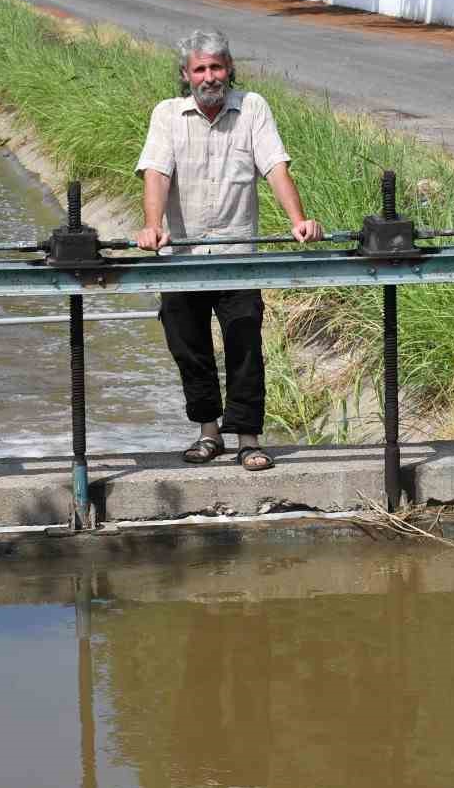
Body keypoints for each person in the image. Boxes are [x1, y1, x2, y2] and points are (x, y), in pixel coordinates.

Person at [135, 30, 323, 472]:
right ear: (186, 75)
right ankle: (208, 433)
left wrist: (299, 219)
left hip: (237, 253)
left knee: (244, 345)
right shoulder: (167, 115)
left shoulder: (252, 107)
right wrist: (152, 227)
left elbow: (275, 166)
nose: (209, 77)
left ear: (229, 69)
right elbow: (157, 174)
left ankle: (248, 440)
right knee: (188, 347)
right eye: (199, 69)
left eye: (216, 67)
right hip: (181, 259)